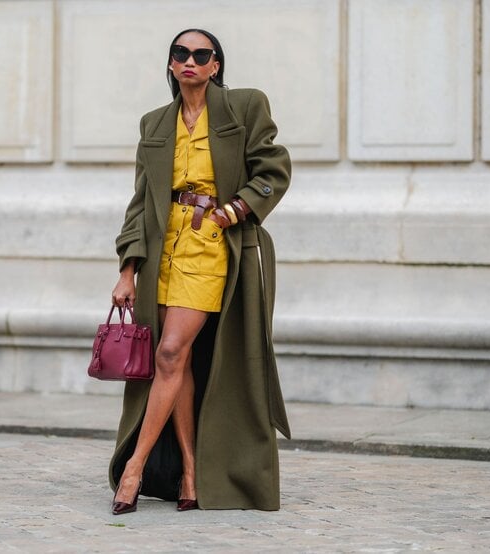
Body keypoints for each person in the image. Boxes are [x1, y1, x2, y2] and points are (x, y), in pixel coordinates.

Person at [108, 28, 291, 514]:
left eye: (201, 54)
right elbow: (140, 200)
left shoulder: (244, 106)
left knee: (170, 350)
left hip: (212, 245)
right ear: (171, 65)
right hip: (163, 247)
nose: (190, 61)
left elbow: (273, 170)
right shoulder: (154, 123)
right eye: (180, 54)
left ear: (215, 66)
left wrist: (233, 212)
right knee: (178, 362)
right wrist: (128, 269)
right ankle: (190, 472)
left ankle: (134, 469)